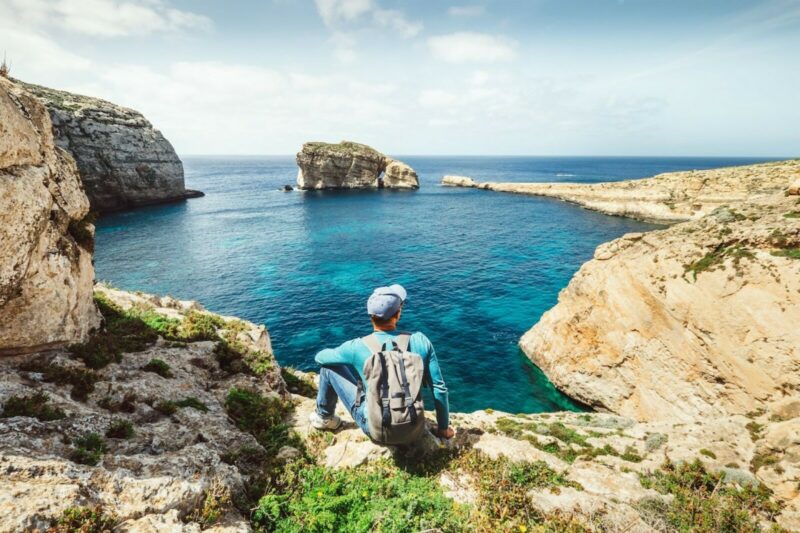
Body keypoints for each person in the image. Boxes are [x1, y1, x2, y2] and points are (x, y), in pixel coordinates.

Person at [309, 284, 454, 440]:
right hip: (413, 428)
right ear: (398, 314)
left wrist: (347, 355)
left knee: (328, 369)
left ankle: (324, 417)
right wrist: (443, 429)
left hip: (376, 429)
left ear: (370, 316)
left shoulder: (357, 346)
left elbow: (320, 358)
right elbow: (439, 389)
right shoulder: (420, 341)